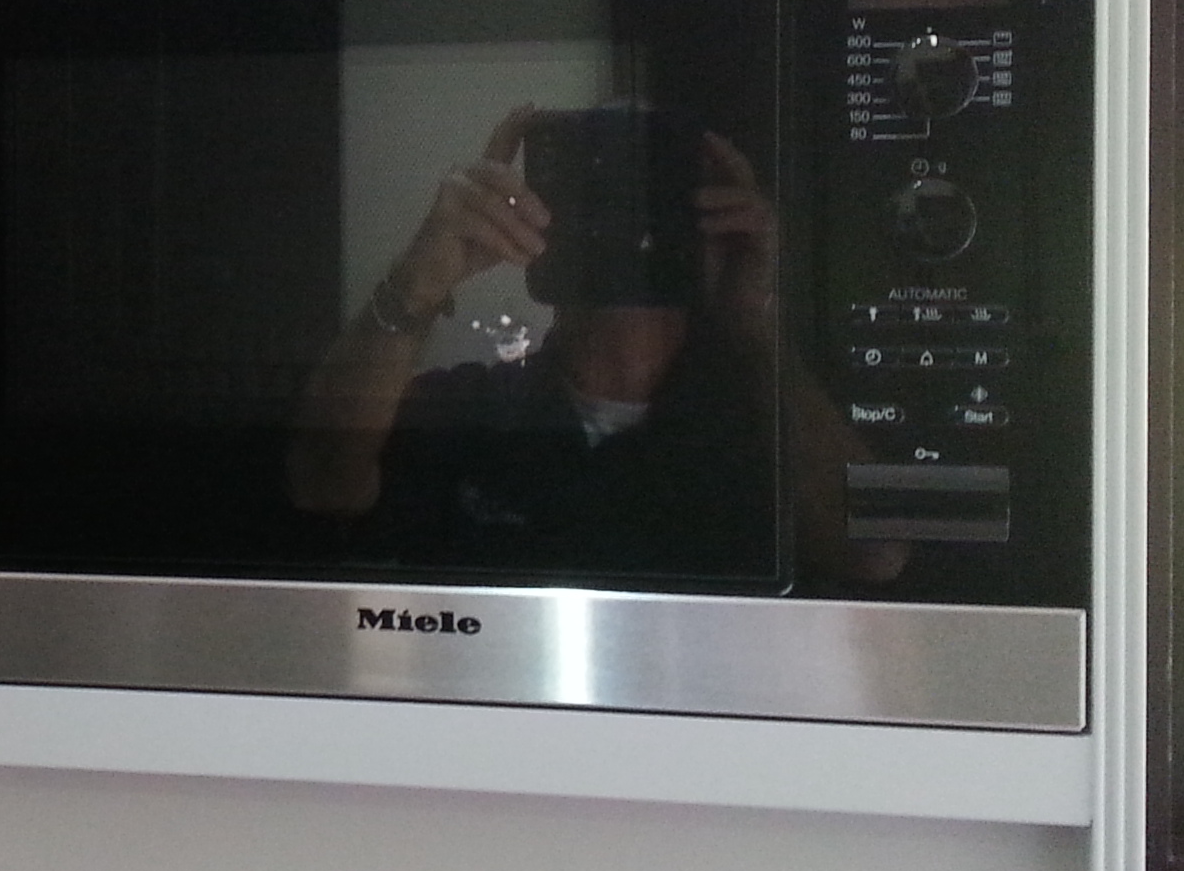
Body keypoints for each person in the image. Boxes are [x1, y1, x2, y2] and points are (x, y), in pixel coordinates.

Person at [287, 106, 904, 585]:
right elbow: (322, 485)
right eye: (596, 197)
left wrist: (754, 323)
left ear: (708, 220)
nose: (625, 225)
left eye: (651, 198)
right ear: (542, 213)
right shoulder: (467, 408)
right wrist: (415, 285)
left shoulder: (764, 421)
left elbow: (874, 554)